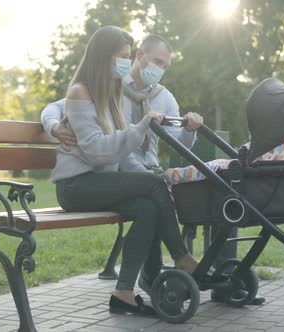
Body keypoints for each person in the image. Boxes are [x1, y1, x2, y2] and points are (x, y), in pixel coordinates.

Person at [51, 25, 198, 316]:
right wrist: (142, 125)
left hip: (99, 182)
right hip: (75, 186)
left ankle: (124, 292)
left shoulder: (112, 94)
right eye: (122, 56)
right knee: (154, 185)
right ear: (103, 56)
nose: (125, 63)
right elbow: (95, 151)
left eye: (127, 57)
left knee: (147, 207)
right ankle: (182, 258)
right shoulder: (81, 92)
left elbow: (120, 150)